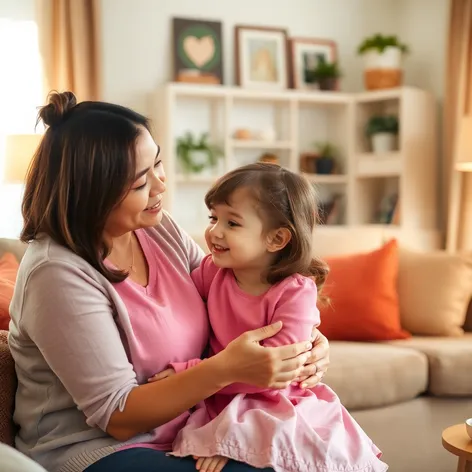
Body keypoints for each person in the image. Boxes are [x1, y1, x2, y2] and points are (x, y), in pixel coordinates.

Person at [7, 91, 330, 472]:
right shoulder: (56, 273)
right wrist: (226, 369)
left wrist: (304, 343)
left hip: (194, 427)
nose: (161, 186)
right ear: (94, 191)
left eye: (158, 164)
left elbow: (232, 292)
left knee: (316, 454)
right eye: (141, 182)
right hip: (102, 450)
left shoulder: (157, 229)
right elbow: (118, 416)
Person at [163, 164, 387, 472]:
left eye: (232, 223)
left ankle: (237, 444)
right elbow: (174, 303)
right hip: (223, 391)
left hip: (273, 397)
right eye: (214, 218)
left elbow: (272, 373)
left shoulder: (295, 292)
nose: (215, 232)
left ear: (277, 239)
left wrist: (187, 374)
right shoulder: (213, 271)